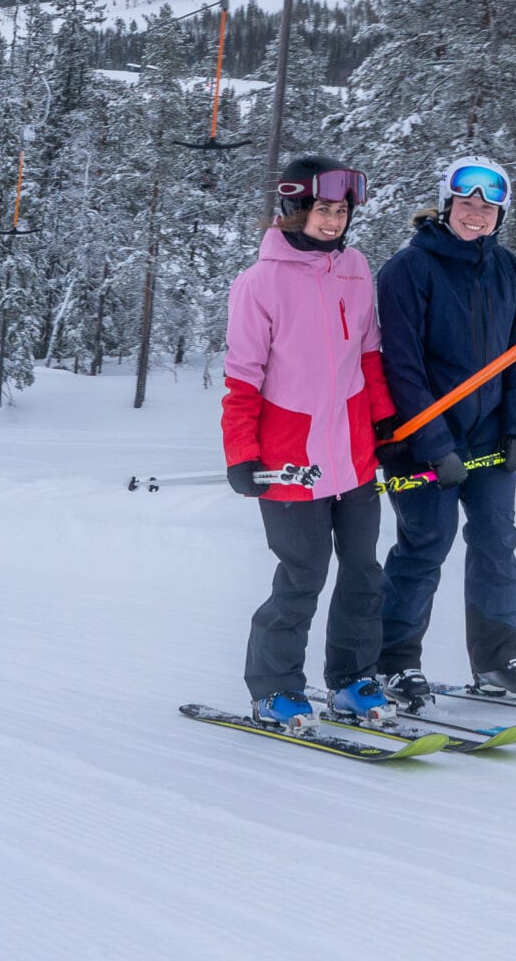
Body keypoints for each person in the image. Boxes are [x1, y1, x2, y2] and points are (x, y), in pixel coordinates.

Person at [221, 154, 400, 729]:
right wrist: (241, 453)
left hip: (352, 451)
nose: (333, 220)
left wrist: (386, 426)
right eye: (323, 209)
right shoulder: (259, 282)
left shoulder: (355, 268)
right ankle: (274, 688)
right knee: (302, 575)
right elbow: (243, 377)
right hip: (289, 456)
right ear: (295, 208)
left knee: (362, 573)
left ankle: (351, 681)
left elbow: (369, 357)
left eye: (341, 211)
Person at [375, 154, 516, 707]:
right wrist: (434, 445)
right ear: (447, 205)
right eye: (467, 203)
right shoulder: (407, 269)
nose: (476, 213)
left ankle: (499, 660)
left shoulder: (506, 267)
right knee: (427, 544)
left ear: (500, 214)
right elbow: (402, 366)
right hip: (423, 439)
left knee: (497, 542)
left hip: (490, 438)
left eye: (488, 206)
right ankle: (393, 662)